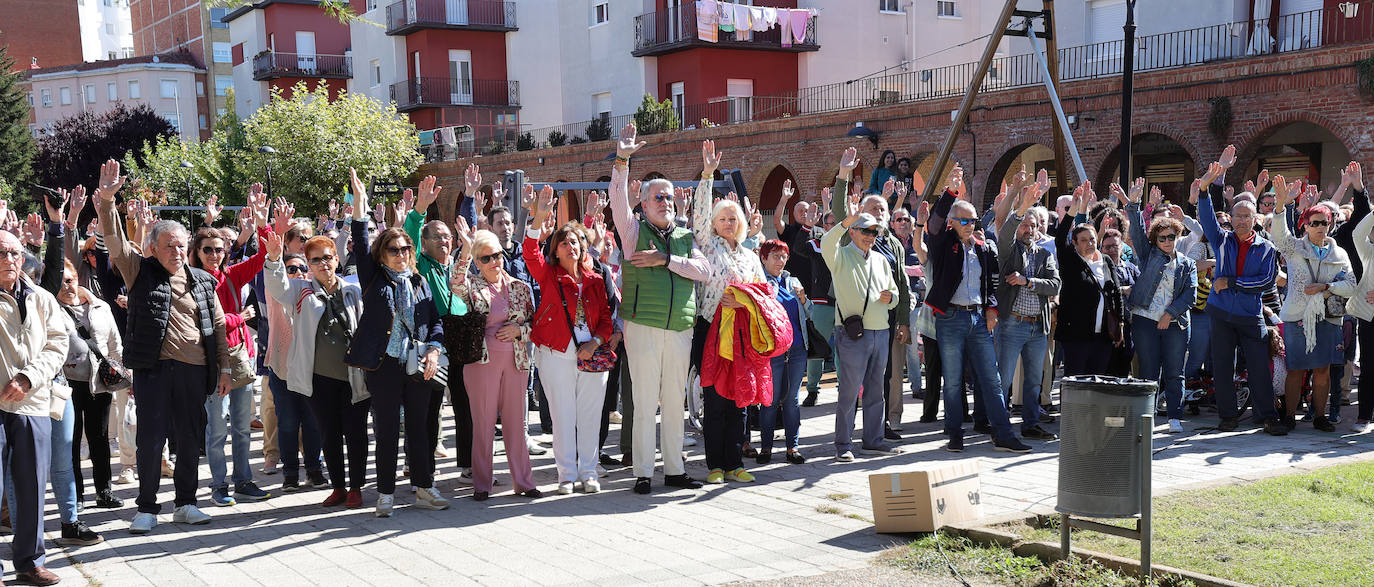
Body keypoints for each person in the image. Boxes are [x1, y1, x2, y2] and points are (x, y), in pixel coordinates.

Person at [91, 159, 231, 534]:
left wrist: (227, 368)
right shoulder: (139, 270)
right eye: (168, 245)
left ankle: (186, 503)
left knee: (189, 439)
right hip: (153, 370)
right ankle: (147, 508)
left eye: (181, 246)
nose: (175, 251)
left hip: (194, 371)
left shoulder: (202, 281)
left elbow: (217, 326)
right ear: (153, 247)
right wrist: (106, 202)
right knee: (151, 440)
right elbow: (116, 241)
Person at [608, 123, 709, 494]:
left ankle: (675, 470)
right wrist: (622, 161)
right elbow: (617, 200)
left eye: (669, 198)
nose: (665, 202)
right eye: (657, 198)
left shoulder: (683, 237)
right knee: (645, 399)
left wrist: (666, 260)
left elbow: (703, 270)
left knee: (674, 401)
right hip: (644, 326)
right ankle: (643, 473)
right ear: (645, 204)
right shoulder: (633, 231)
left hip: (680, 328)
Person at [344, 168, 449, 517]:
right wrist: (360, 204)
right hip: (384, 366)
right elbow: (360, 244)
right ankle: (386, 493)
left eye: (406, 248)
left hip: (418, 364)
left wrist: (434, 349)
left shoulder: (419, 281)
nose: (401, 254)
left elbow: (435, 322)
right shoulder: (374, 279)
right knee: (387, 431)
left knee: (420, 429)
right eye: (393, 249)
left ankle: (424, 487)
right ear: (382, 254)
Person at [915, 163, 1029, 454]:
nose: (970, 225)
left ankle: (1002, 433)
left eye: (974, 221)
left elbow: (990, 283)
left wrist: (991, 309)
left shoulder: (983, 246)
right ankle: (954, 434)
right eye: (964, 221)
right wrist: (951, 191)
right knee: (952, 382)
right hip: (950, 318)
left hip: (978, 318)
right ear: (954, 223)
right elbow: (936, 221)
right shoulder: (942, 243)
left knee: (991, 378)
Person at [265, 232, 371, 508]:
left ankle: (357, 487)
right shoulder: (301, 290)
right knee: (329, 434)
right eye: (316, 260)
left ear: (336, 259)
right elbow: (277, 287)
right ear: (309, 265)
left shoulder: (354, 289)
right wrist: (275, 258)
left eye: (327, 257)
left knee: (356, 433)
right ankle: (338, 487)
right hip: (319, 379)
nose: (323, 264)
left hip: (353, 377)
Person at [524, 187, 615, 494]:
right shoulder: (547, 274)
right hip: (556, 354)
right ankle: (566, 474)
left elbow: (605, 315)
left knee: (590, 417)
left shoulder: (596, 279)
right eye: (563, 243)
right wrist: (538, 217)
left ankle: (589, 472)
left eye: (574, 242)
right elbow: (529, 252)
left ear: (583, 247)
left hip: (591, 354)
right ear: (556, 251)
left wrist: (597, 341)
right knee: (563, 417)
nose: (570, 247)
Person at [688, 139, 769, 484]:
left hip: (743, 332)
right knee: (716, 398)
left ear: (740, 224)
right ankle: (715, 465)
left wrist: (744, 301)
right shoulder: (707, 245)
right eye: (721, 218)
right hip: (712, 329)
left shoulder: (750, 256)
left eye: (731, 218)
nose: (725, 222)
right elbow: (700, 215)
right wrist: (707, 175)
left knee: (740, 399)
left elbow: (764, 292)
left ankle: (736, 462)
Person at [188, 208, 276, 505]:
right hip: (212, 363)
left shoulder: (231, 275)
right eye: (208, 250)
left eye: (219, 250)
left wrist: (263, 224)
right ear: (197, 252)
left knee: (241, 427)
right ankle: (218, 485)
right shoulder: (191, 281)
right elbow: (208, 323)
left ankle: (243, 481)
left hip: (240, 358)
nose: (214, 254)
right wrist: (239, 318)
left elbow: (264, 255)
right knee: (216, 429)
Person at [1196, 146, 1286, 435]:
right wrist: (1206, 186)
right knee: (1222, 367)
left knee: (1259, 367)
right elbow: (1206, 214)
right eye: (1236, 216)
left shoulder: (1267, 248)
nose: (1241, 220)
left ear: (1255, 219)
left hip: (1250, 316)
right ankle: (1228, 416)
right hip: (1221, 312)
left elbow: (1265, 282)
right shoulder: (1221, 240)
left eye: (1247, 216)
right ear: (1231, 219)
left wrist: (1231, 282)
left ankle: (1268, 416)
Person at [450, 223, 541, 501]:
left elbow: (536, 326)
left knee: (516, 423)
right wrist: (465, 249)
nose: (494, 262)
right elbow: (455, 284)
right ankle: (482, 483)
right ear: (476, 262)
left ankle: (524, 482)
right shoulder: (471, 285)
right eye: (486, 258)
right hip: (481, 364)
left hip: (516, 361)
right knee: (484, 423)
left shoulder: (520, 287)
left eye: (497, 255)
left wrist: (519, 331)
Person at [822, 148, 902, 461]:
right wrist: (846, 221)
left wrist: (891, 298)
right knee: (848, 392)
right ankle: (843, 445)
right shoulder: (840, 254)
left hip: (880, 332)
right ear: (854, 231)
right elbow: (828, 241)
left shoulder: (882, 259)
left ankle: (873, 439)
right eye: (866, 230)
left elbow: (894, 291)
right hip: (852, 332)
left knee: (876, 390)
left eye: (875, 231)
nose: (871, 235)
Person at [0, 229, 69, 585]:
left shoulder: (41, 297)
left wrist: (28, 378)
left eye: (15, 253)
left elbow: (58, 345)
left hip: (33, 402)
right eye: (2, 253)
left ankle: (29, 561)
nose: (10, 260)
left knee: (31, 488)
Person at [401, 174, 474, 483]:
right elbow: (409, 235)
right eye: (438, 237)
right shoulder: (418, 263)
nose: (446, 241)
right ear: (425, 244)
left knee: (464, 403)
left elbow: (466, 232)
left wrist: (469, 198)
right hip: (431, 339)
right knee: (428, 407)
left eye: (448, 237)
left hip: (460, 335)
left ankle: (469, 465)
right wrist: (419, 209)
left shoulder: (456, 266)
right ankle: (421, 462)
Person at [1270, 175, 1355, 433]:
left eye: (1325, 223)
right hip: (1297, 316)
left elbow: (1351, 284)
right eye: (1315, 223)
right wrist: (1280, 207)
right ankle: (1288, 417)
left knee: (1322, 371)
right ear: (1305, 226)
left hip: (1328, 319)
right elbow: (1278, 236)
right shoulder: (1294, 248)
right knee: (1295, 369)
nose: (1320, 227)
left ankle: (1320, 417)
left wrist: (1326, 288)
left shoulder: (1339, 254)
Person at [1120, 182, 1198, 434]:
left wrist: (1169, 314)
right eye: (1162, 238)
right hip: (1144, 320)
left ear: (1177, 237)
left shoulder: (1187, 264)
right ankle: (1147, 415)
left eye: (1171, 237)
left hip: (1175, 324)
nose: (1166, 241)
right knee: (1148, 370)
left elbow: (1191, 295)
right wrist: (1133, 204)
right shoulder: (1147, 254)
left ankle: (1175, 416)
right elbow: (1138, 232)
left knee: (1175, 372)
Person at [993, 172, 1061, 441]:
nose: (1028, 229)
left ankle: (1030, 424)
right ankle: (1000, 426)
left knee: (1034, 380)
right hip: (1012, 323)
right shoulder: (1009, 250)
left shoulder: (1045, 254)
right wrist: (1022, 207)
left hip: (1037, 326)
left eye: (1033, 226)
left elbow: (1055, 285)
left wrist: (1028, 281)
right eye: (1025, 225)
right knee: (1004, 380)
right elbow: (1007, 229)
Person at [1054, 183, 1125, 377]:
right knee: (1076, 382)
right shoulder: (1071, 261)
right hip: (1076, 336)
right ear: (1075, 243)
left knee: (1097, 382)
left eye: (1092, 239)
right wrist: (1075, 210)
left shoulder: (1107, 261)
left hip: (1103, 336)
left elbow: (1116, 295)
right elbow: (1060, 238)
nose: (1089, 243)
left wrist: (1119, 324)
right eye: (1084, 240)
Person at [757, 240, 809, 465]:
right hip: (773, 350)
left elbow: (809, 314)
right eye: (775, 256)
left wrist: (804, 299)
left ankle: (792, 448)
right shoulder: (759, 282)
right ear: (764, 258)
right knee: (770, 400)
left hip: (797, 348)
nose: (780, 261)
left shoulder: (794, 281)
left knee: (792, 400)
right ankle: (766, 448)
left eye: (783, 256)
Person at [1335, 163, 1372, 432]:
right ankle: (1364, 416)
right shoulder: (1368, 251)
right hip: (1369, 313)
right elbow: (1359, 230)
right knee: (1368, 365)